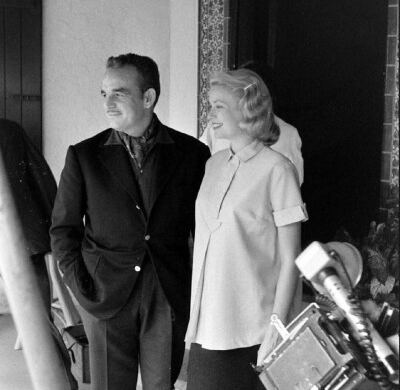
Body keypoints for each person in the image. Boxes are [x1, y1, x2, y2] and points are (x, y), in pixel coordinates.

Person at [50, 53, 210, 390]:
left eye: (119, 93)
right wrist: (83, 291)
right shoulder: (84, 156)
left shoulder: (192, 154)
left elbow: (204, 231)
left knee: (160, 386)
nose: (108, 103)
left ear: (148, 97)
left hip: (166, 292)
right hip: (104, 294)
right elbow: (63, 231)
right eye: (104, 94)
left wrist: (193, 291)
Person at [185, 69, 308, 390]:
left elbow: (291, 259)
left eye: (219, 106)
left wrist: (275, 331)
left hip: (252, 330)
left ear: (247, 110)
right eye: (210, 105)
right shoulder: (212, 165)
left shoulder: (279, 170)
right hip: (206, 326)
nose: (210, 114)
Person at [0, 118, 78, 390]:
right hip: (25, 240)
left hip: (22, 241)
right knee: (40, 323)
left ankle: (62, 382)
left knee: (39, 324)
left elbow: (37, 177)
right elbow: (43, 179)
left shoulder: (8, 132)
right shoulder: (10, 130)